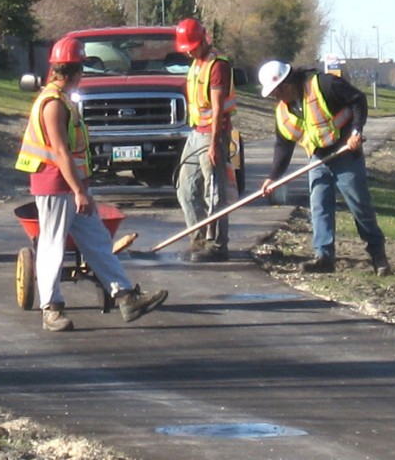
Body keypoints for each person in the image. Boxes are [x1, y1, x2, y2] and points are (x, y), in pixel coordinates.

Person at [15, 37, 168, 332]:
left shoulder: (61, 100)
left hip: (70, 185)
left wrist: (82, 187)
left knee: (98, 241)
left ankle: (126, 298)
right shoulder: (52, 105)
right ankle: (51, 309)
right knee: (51, 246)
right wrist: (78, 190)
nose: (83, 75)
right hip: (55, 185)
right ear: (71, 71)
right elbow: (60, 152)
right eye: (82, 69)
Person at [257, 60, 392, 276]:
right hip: (319, 159)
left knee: (360, 206)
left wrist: (356, 131)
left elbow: (358, 100)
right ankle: (323, 257)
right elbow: (283, 145)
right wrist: (273, 176)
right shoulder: (283, 112)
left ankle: (378, 256)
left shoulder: (324, 85)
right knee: (319, 206)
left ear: (287, 84)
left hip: (346, 154)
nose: (275, 97)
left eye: (276, 92)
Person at [173, 18, 237, 263]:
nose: (188, 51)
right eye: (185, 48)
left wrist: (213, 144)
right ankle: (198, 239)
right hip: (195, 132)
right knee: (185, 189)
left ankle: (218, 245)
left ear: (202, 41)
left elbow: (219, 107)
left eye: (191, 46)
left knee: (214, 193)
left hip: (212, 134)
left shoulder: (217, 65)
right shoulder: (197, 64)